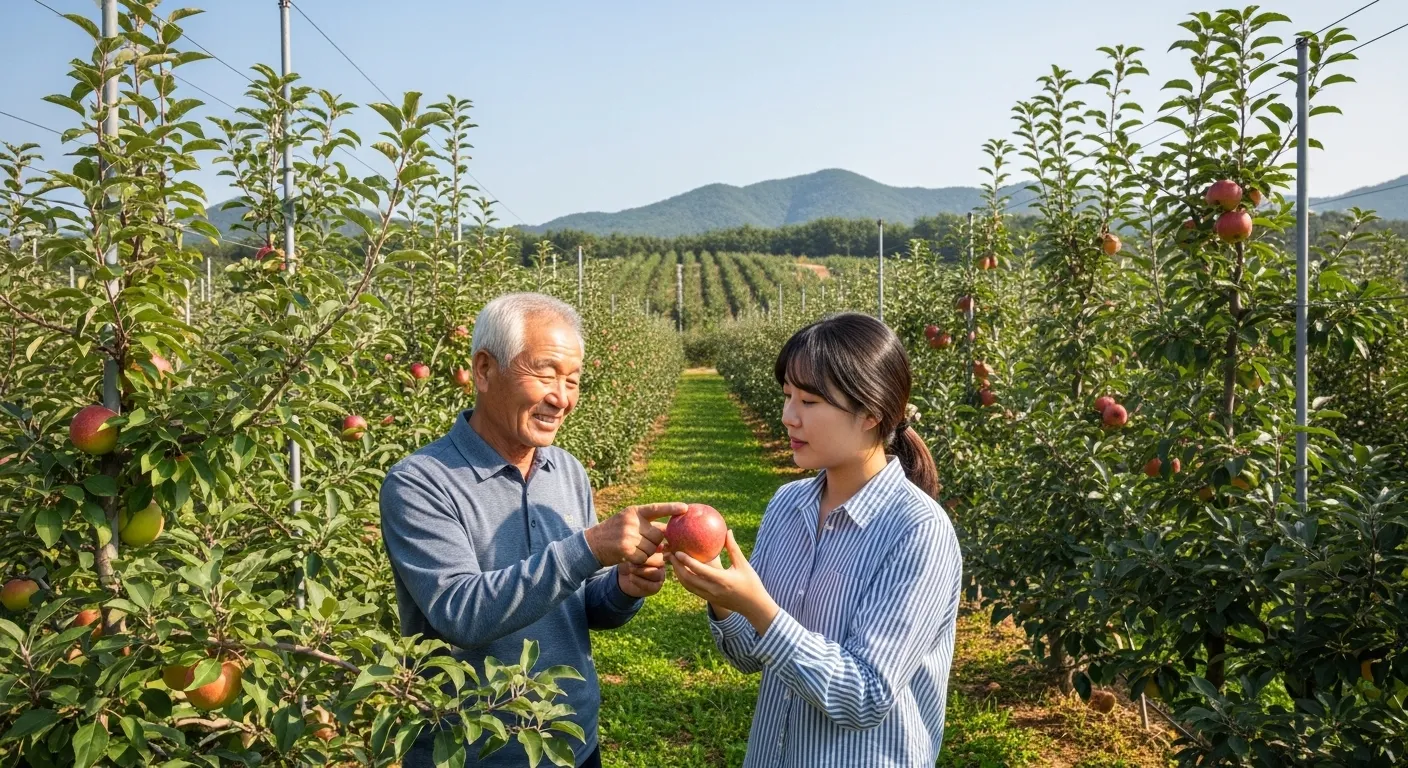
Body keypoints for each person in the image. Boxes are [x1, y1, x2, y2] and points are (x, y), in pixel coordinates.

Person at [379, 292, 685, 768]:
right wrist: (589, 547)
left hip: (569, 741)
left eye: (573, 380)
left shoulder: (567, 471)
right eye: (545, 373)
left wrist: (623, 588)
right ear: (483, 370)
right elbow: (461, 614)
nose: (561, 398)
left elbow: (576, 605)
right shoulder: (420, 483)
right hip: (471, 753)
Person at [671, 312, 963, 768]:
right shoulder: (788, 505)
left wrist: (762, 610)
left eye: (808, 401)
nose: (788, 416)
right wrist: (726, 601)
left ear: (871, 413)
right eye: (787, 395)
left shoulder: (917, 531)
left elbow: (866, 697)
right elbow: (750, 655)